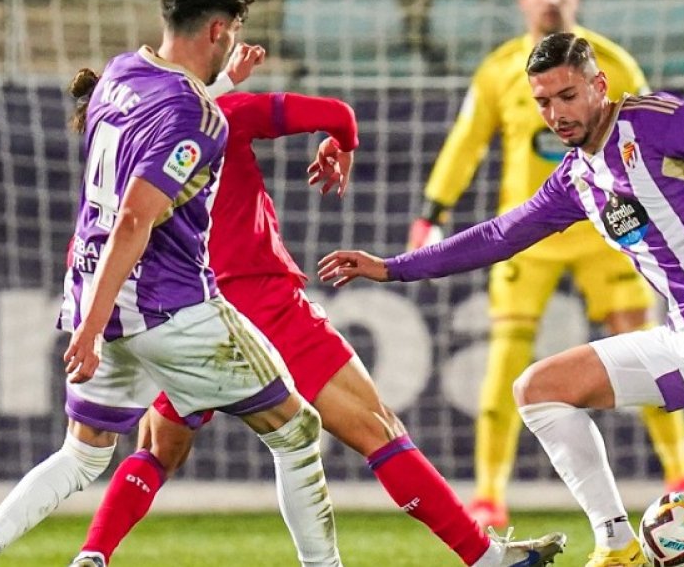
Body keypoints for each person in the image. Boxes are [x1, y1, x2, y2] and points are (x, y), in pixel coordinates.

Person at [319, 34, 684, 567]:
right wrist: (392, 268)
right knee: (538, 390)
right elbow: (500, 236)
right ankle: (616, 542)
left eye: (567, 96)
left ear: (600, 86)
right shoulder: (576, 179)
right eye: (544, 103)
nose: (556, 114)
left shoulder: (654, 122)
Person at [0, 0, 342, 567]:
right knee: (297, 432)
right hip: (170, 308)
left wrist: (93, 322)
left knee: (84, 453)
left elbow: (166, 116)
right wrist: (94, 328)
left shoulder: (122, 73)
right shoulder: (197, 117)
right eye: (230, 30)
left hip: (93, 291)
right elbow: (135, 216)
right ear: (218, 30)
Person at [67, 87, 568, 567]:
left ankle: (93, 554)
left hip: (191, 310)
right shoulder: (220, 113)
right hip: (263, 301)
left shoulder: (121, 155)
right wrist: (341, 145)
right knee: (377, 429)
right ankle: (483, 557)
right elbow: (337, 114)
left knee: (158, 450)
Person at [407, 0, 684, 529]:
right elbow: (465, 143)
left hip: (610, 231)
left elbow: (651, 134)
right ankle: (490, 492)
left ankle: (682, 473)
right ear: (523, 0)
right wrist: (431, 212)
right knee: (506, 361)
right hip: (531, 237)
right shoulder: (499, 70)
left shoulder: (613, 62)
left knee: (649, 345)